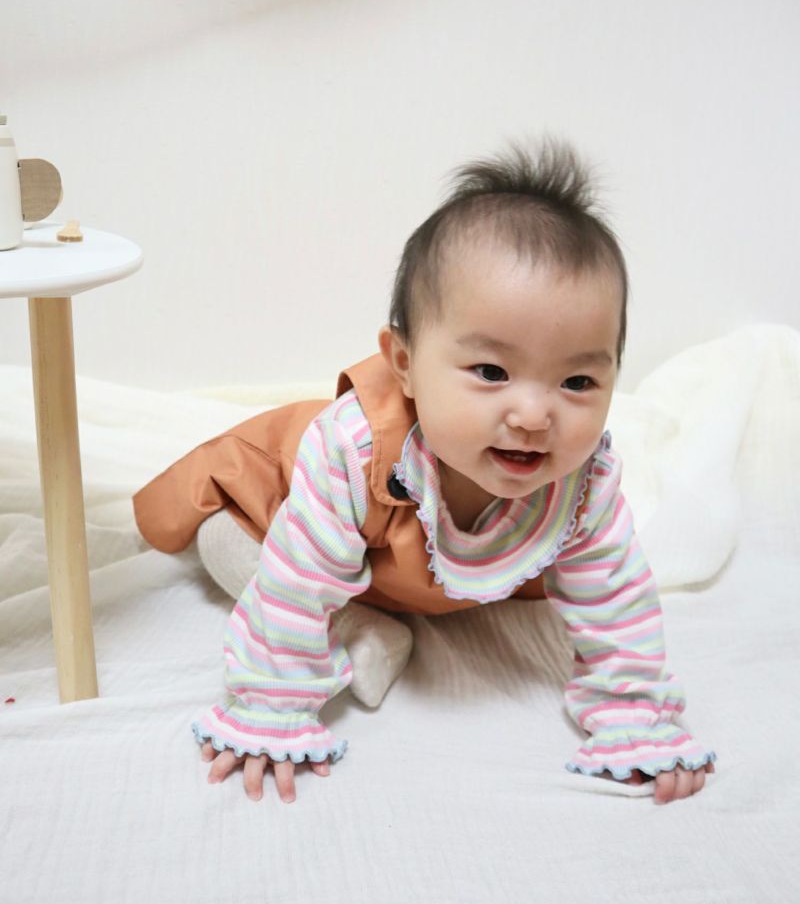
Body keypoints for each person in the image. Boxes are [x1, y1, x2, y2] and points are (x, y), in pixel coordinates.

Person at [133, 140, 715, 805]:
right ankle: (358, 629)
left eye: (577, 381)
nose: (533, 415)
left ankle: (379, 615)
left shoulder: (583, 481)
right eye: (491, 372)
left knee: (557, 565)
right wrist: (271, 710)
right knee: (225, 540)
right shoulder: (351, 450)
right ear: (405, 364)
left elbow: (614, 598)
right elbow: (295, 583)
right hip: (280, 506)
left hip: (410, 571)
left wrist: (637, 719)